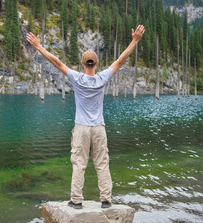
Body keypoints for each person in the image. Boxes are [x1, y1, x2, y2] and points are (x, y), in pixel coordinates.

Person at [26, 25, 145, 209]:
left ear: (82, 64)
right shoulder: (102, 78)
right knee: (102, 164)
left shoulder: (77, 78)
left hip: (81, 128)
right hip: (99, 128)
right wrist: (135, 40)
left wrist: (38, 47)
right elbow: (121, 61)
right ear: (96, 64)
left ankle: (76, 200)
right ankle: (105, 200)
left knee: (79, 164)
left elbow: (57, 63)